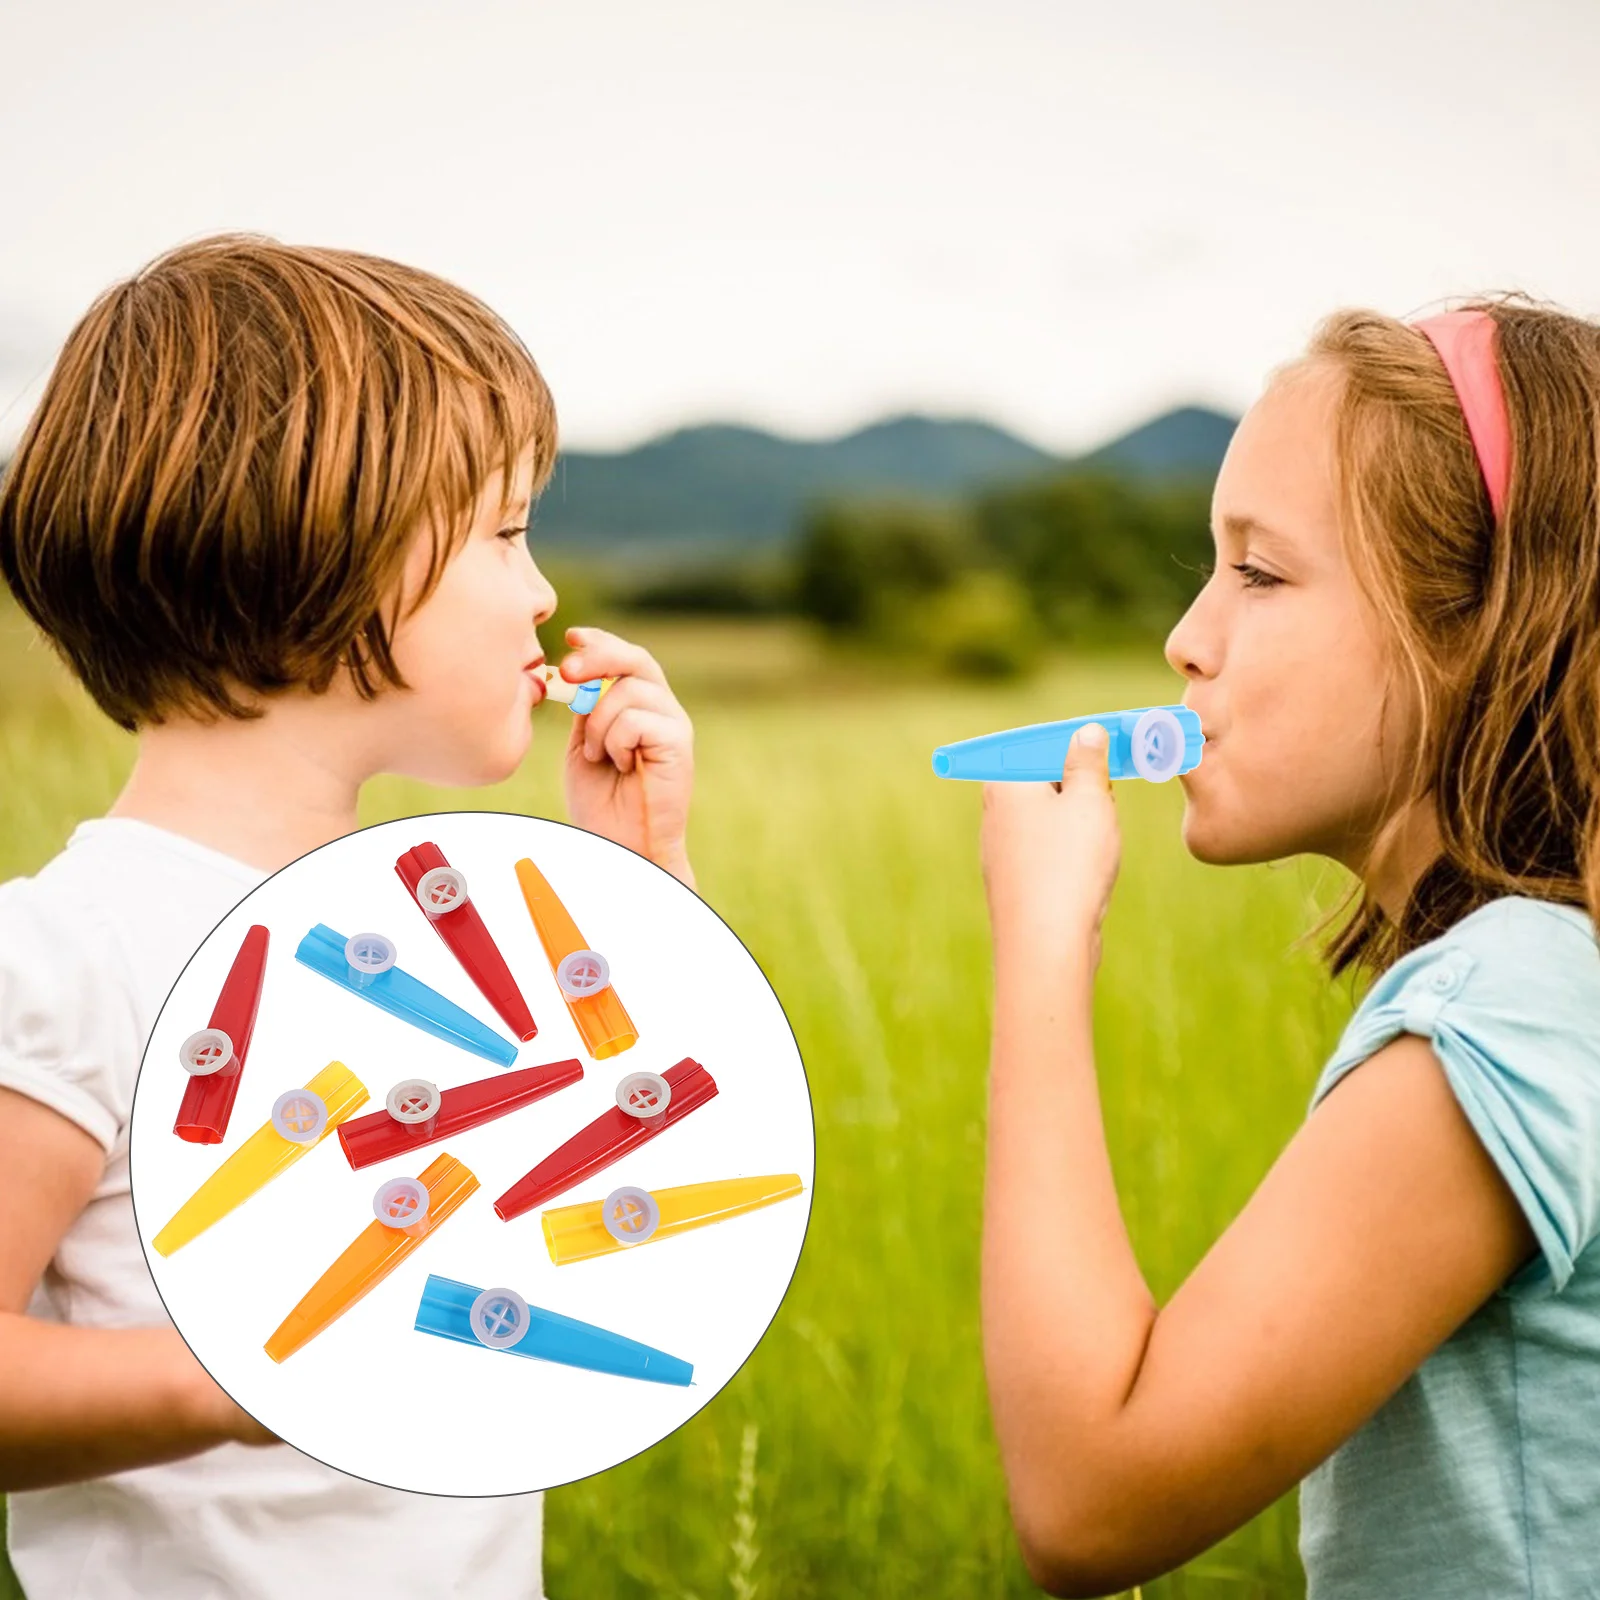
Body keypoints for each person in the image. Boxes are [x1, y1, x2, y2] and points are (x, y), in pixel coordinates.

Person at [0, 235, 694, 1599]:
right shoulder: (70, 956)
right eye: (505, 532)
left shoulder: (440, 944)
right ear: (327, 546)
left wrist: (641, 874)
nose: (545, 591)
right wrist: (259, 1371)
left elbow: (626, 1189)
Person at [977, 301, 1600, 1597]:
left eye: (1258, 573)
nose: (1186, 640)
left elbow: (1091, 1503)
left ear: (1478, 624)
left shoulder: (1510, 1004)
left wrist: (1043, 950)